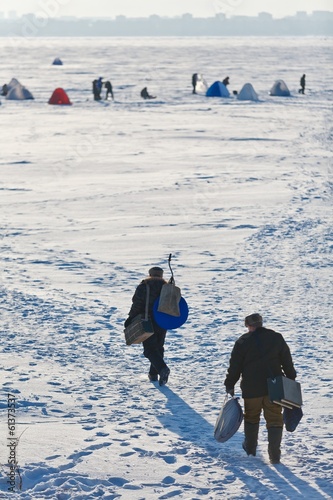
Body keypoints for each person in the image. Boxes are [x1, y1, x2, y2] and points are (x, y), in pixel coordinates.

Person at [224, 313, 297, 464]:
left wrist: (230, 384)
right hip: (275, 387)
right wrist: (291, 378)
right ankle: (274, 455)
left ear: (248, 326)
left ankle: (251, 450)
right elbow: (287, 361)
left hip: (252, 389)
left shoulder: (242, 342)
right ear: (261, 323)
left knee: (251, 418)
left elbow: (235, 367)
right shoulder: (276, 338)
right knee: (275, 419)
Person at [124, 266, 170, 386]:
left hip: (147, 321)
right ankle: (153, 374)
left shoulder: (144, 286)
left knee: (150, 349)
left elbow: (137, 304)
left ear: (150, 274)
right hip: (163, 321)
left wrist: (130, 318)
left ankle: (162, 369)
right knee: (159, 347)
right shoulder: (168, 288)